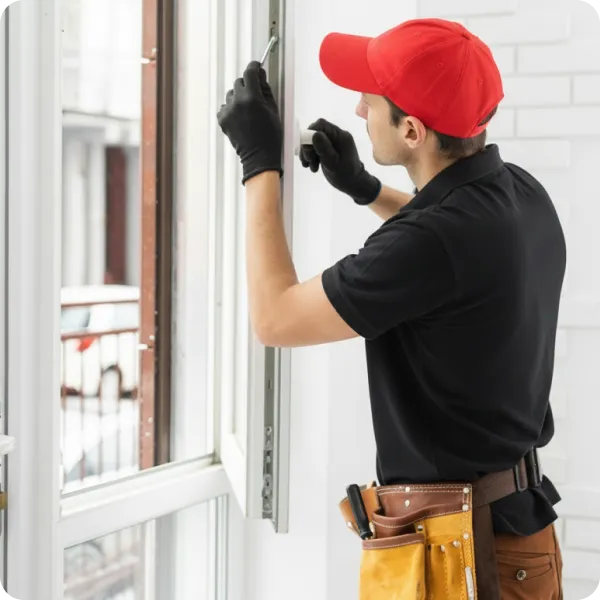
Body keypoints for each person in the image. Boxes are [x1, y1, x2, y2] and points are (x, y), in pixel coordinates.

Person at [218, 17, 565, 600]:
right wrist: (364, 188)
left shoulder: (433, 241)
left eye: (370, 99)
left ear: (410, 130)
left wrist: (259, 165)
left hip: (460, 553)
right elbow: (447, 248)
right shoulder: (519, 193)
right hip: (517, 531)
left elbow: (274, 318)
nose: (358, 110)